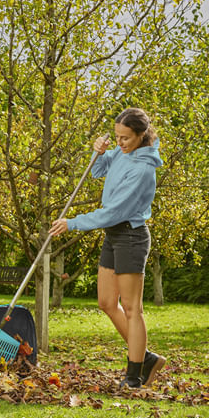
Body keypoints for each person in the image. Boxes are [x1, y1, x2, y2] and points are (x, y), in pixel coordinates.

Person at [49, 107, 166, 389]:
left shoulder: (142, 169)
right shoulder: (120, 153)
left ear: (141, 135)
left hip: (131, 236)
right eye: (116, 137)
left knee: (131, 308)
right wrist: (98, 152)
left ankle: (134, 376)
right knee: (105, 302)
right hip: (114, 236)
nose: (120, 143)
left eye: (125, 138)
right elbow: (97, 171)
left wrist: (73, 223)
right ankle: (147, 358)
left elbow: (113, 213)